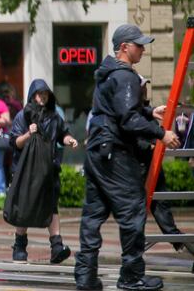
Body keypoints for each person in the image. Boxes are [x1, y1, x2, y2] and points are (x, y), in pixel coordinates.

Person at [74, 24, 180, 291]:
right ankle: (132, 277)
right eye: (139, 45)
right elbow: (127, 119)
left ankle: (85, 277)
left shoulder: (107, 74)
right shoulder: (126, 76)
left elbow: (115, 110)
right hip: (116, 154)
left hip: (98, 151)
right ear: (124, 47)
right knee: (133, 211)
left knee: (93, 215)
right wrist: (161, 133)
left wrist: (146, 113)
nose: (143, 49)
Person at [9, 79, 78, 264]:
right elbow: (15, 142)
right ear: (32, 95)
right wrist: (28, 134)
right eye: (40, 94)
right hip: (27, 171)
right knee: (25, 206)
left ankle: (57, 246)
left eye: (46, 94)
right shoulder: (22, 117)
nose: (43, 97)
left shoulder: (54, 117)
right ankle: (19, 246)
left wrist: (69, 140)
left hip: (49, 170)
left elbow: (63, 133)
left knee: (52, 206)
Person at [136, 77, 194, 256]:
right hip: (139, 170)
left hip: (151, 167)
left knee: (161, 211)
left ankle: (180, 241)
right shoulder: (132, 111)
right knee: (138, 214)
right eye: (142, 86)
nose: (145, 89)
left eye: (146, 86)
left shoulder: (147, 109)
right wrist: (152, 144)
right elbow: (132, 136)